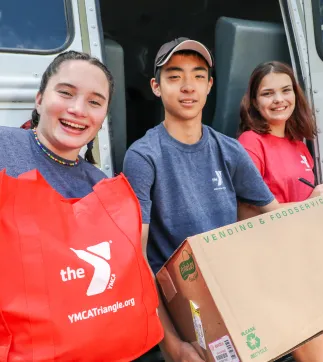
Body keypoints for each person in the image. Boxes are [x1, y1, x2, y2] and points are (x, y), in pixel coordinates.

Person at [123, 37, 281, 362]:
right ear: (156, 86)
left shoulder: (229, 149)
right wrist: (173, 347)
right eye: (174, 76)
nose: (187, 86)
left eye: (197, 76)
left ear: (209, 86)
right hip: (184, 303)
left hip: (234, 286)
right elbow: (137, 262)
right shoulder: (143, 156)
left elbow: (273, 218)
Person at [237, 61, 323, 362]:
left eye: (285, 90)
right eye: (268, 93)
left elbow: (306, 204)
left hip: (317, 260)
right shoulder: (250, 143)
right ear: (254, 101)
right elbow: (245, 216)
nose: (279, 99)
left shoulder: (298, 144)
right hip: (284, 271)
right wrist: (311, 203)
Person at [0, 50, 113, 197]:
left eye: (94, 102)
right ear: (40, 101)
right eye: (66, 93)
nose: (78, 110)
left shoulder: (100, 189)